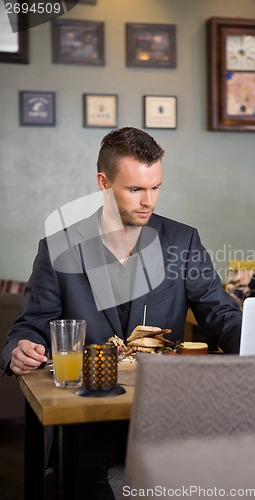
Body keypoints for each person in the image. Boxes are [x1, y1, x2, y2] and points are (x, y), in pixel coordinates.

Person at [1, 126, 242, 499]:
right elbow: (30, 326)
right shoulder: (57, 248)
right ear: (103, 181)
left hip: (165, 414)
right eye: (135, 189)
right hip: (86, 419)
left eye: (156, 187)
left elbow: (220, 313)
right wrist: (20, 347)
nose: (149, 201)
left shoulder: (183, 240)